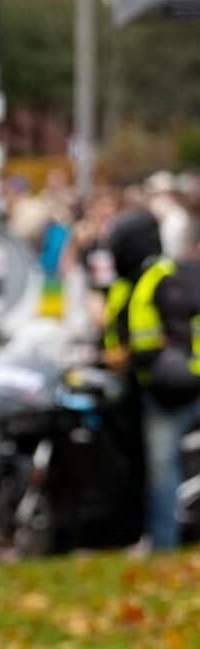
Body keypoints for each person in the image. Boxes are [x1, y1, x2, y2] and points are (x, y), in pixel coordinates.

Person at [103, 207, 200, 551]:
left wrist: (133, 357)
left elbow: (177, 339)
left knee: (161, 466)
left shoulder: (163, 280)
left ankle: (163, 544)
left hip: (171, 391)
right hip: (139, 388)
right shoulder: (124, 286)